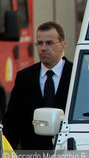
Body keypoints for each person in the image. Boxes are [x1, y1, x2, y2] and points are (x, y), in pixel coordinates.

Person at [3, 21, 73, 151]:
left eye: (49, 43)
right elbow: (12, 123)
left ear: (62, 46)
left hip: (69, 156)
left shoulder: (76, 75)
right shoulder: (24, 77)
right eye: (39, 43)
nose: (43, 48)